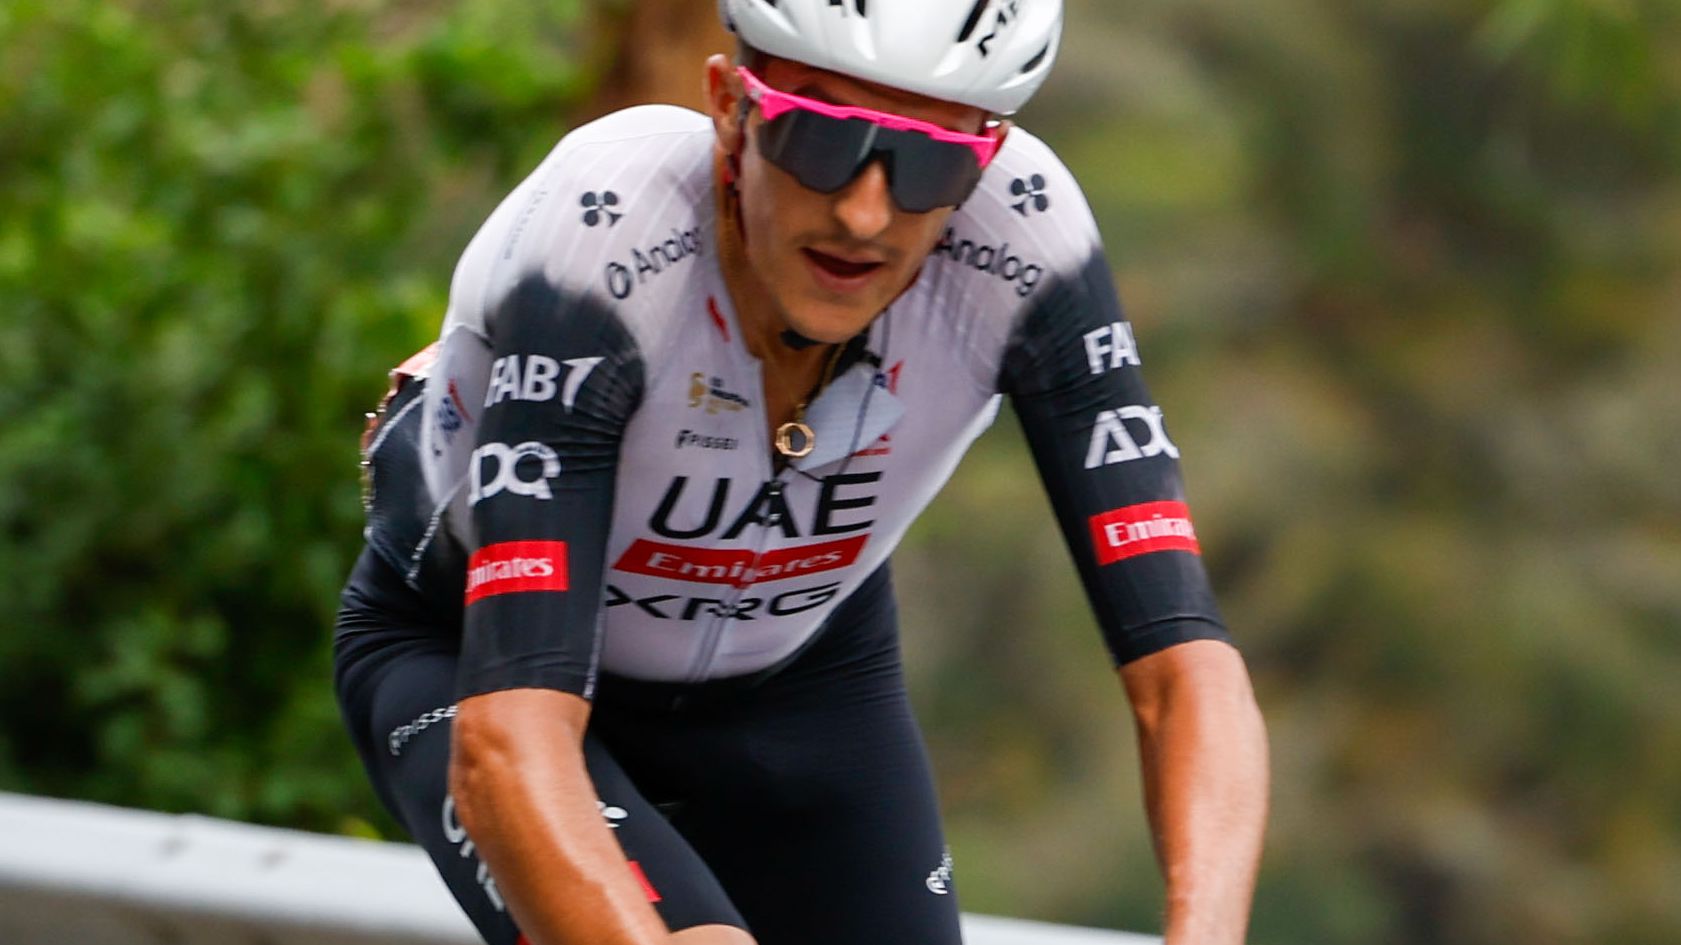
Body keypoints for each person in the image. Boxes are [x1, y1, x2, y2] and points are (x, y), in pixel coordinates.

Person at [334, 2, 1269, 944]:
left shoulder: (1026, 246)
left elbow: (1185, 674)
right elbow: (510, 740)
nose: (864, 214)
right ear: (730, 106)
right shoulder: (606, 236)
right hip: (473, 660)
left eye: (931, 162)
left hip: (802, 680)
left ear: (986, 157)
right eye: (820, 138)